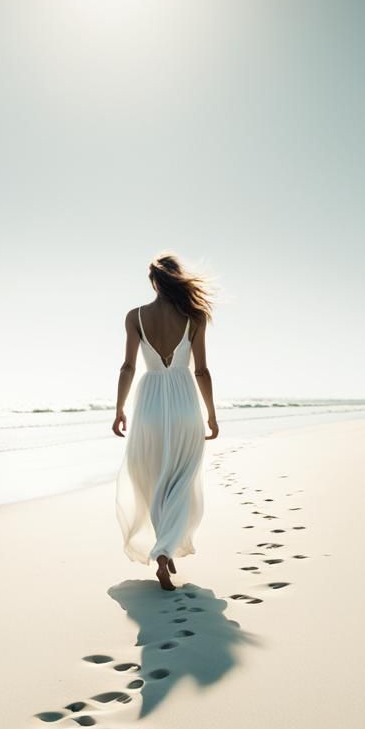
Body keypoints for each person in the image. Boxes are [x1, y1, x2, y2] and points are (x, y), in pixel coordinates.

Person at [113, 253, 219, 591]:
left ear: (154, 283)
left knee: (153, 478)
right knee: (182, 479)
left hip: (149, 404)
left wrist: (119, 409)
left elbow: (128, 367)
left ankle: (164, 549)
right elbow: (201, 370)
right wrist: (212, 414)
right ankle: (164, 551)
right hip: (185, 401)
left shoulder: (135, 317)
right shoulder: (195, 316)